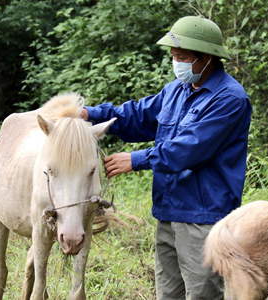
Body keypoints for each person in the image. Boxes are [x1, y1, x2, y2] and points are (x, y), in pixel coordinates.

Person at [81, 16, 252, 300]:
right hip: (168, 211)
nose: (176, 63)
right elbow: (138, 115)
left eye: (182, 57)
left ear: (206, 57)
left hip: (203, 216)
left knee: (202, 294)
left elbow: (190, 148)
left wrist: (135, 159)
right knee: (168, 293)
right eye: (173, 56)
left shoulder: (230, 99)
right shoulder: (177, 90)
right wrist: (90, 114)